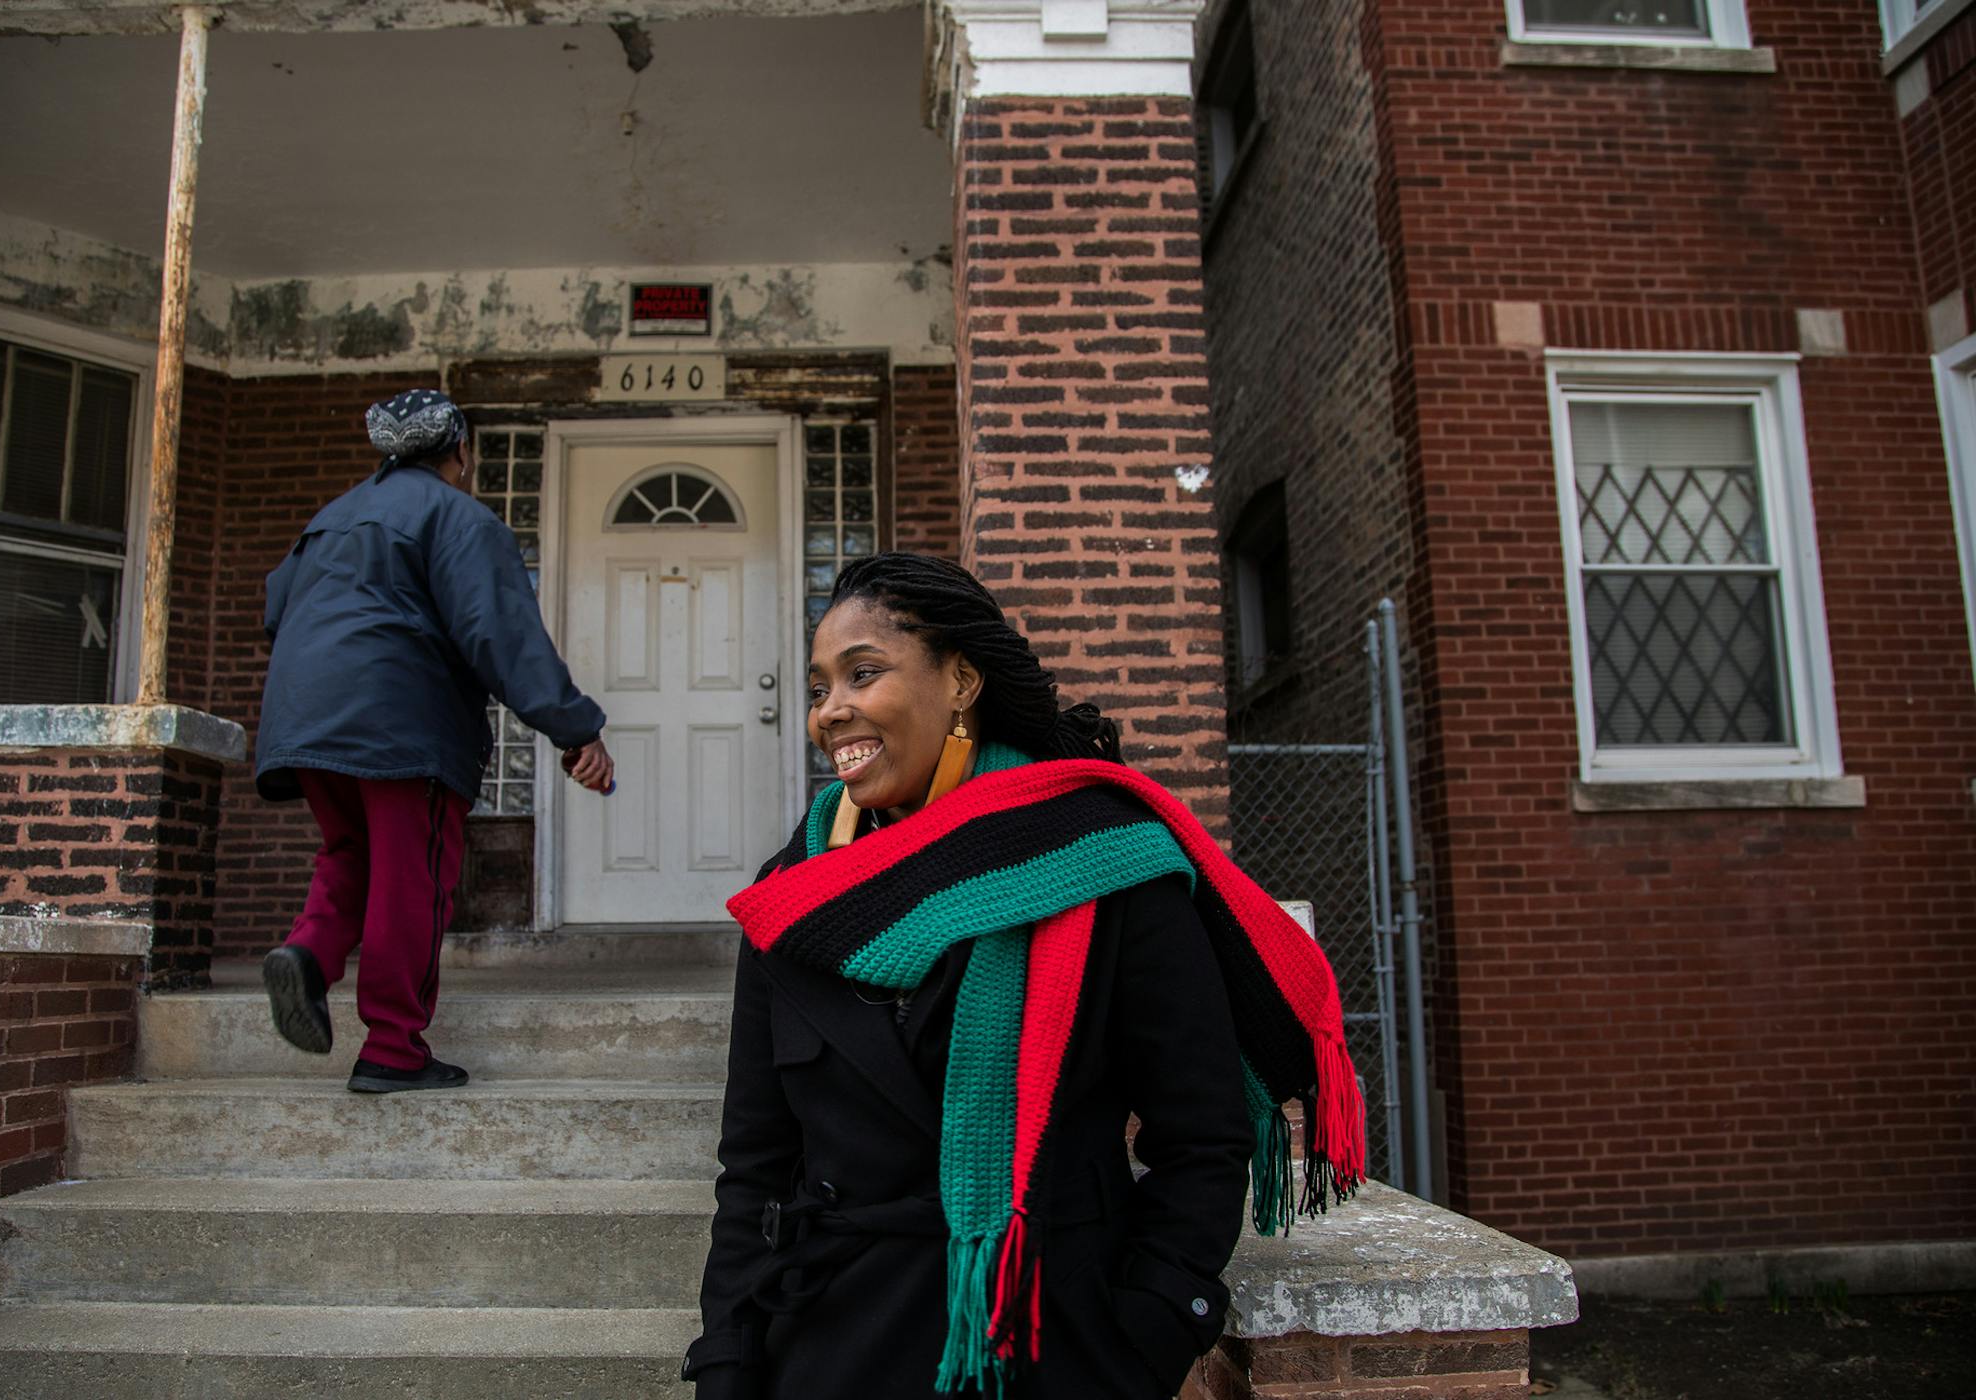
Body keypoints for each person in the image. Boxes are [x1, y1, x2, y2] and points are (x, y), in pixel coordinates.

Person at [683, 553, 1368, 1399]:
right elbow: (754, 1165)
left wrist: (1147, 1332)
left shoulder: (1100, 862)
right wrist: (729, 1358)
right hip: (827, 1347)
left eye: (863, 674)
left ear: (961, 680)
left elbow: (1201, 1141)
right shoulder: (788, 899)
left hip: (1054, 1347)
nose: (833, 712)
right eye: (820, 689)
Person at [253, 389, 613, 1094]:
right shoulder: (458, 517)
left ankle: (308, 952)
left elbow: (277, 609)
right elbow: (501, 637)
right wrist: (576, 729)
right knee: (412, 879)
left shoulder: (329, 519)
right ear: (460, 453)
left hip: (302, 717)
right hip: (401, 723)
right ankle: (393, 1047)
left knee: (351, 853)